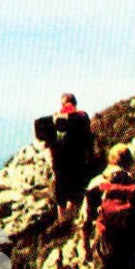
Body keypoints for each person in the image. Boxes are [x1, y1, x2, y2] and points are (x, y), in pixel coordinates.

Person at [37, 93, 95, 224]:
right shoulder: (82, 116)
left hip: (60, 161)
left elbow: (44, 135)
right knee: (73, 192)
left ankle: (62, 220)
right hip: (76, 160)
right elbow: (87, 138)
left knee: (61, 192)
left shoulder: (55, 117)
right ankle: (68, 220)